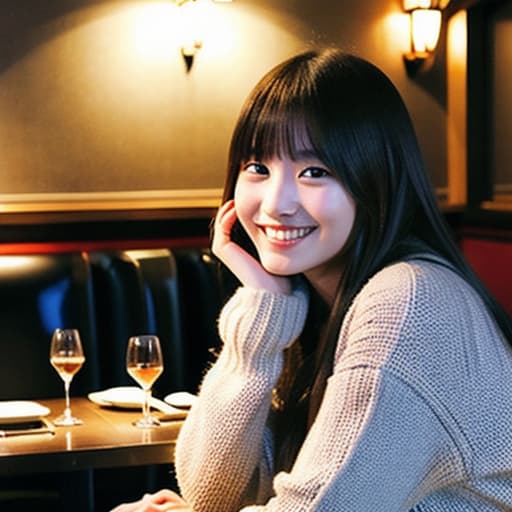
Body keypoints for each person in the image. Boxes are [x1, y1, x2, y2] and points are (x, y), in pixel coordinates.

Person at [112, 49, 512, 511]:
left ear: (375, 182)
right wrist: (263, 310)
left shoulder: (410, 300)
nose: (276, 203)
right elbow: (213, 496)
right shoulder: (310, 299)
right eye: (258, 167)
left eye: (315, 172)